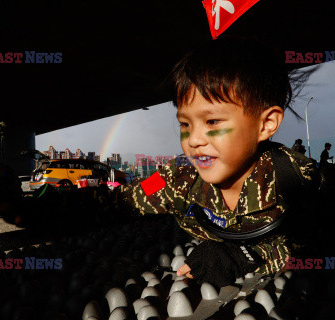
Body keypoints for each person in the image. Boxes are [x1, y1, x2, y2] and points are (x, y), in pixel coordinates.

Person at [115, 37, 319, 288]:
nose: (194, 139)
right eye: (185, 124)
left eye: (212, 122)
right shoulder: (176, 177)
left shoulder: (297, 178)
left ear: (266, 124)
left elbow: (332, 233)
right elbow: (127, 200)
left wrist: (246, 256)